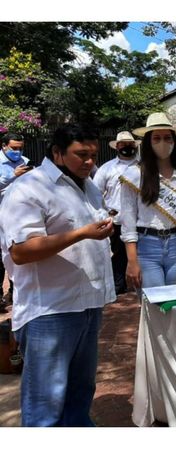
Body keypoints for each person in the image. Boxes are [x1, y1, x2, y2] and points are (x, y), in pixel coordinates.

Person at [0, 124, 115, 426]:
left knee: (79, 395)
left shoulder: (88, 185)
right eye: (81, 155)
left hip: (87, 305)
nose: (89, 162)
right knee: (45, 406)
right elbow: (21, 251)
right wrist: (81, 234)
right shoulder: (28, 188)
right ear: (56, 153)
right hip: (49, 311)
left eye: (93, 154)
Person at [120, 112, 176, 289]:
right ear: (148, 142)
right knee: (154, 302)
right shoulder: (134, 175)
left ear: (174, 141)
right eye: (157, 138)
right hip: (147, 246)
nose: (163, 143)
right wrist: (131, 260)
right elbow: (128, 222)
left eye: (168, 138)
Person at [93, 131, 141, 294]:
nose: (127, 146)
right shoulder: (107, 169)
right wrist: (105, 214)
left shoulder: (144, 166)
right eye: (123, 144)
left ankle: (140, 283)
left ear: (135, 145)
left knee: (141, 253)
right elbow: (95, 193)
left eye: (130, 144)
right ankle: (118, 285)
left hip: (141, 219)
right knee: (119, 254)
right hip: (117, 219)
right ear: (117, 147)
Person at [0, 133, 32, 311]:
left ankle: (15, 292)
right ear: (4, 146)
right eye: (14, 148)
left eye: (20, 148)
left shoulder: (24, 161)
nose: (18, 152)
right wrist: (13, 175)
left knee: (16, 253)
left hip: (19, 215)